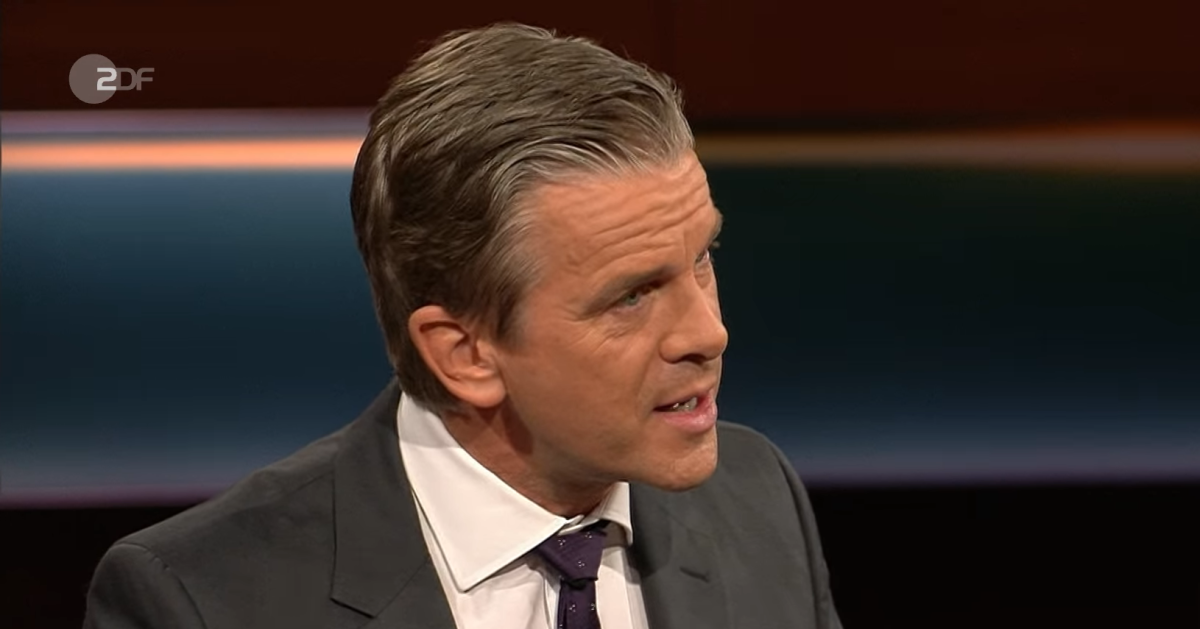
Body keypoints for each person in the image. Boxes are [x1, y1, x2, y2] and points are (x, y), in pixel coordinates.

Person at [83, 23, 842, 629]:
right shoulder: (201, 600)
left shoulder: (755, 496)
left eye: (701, 257)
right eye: (631, 296)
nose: (707, 333)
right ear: (466, 354)